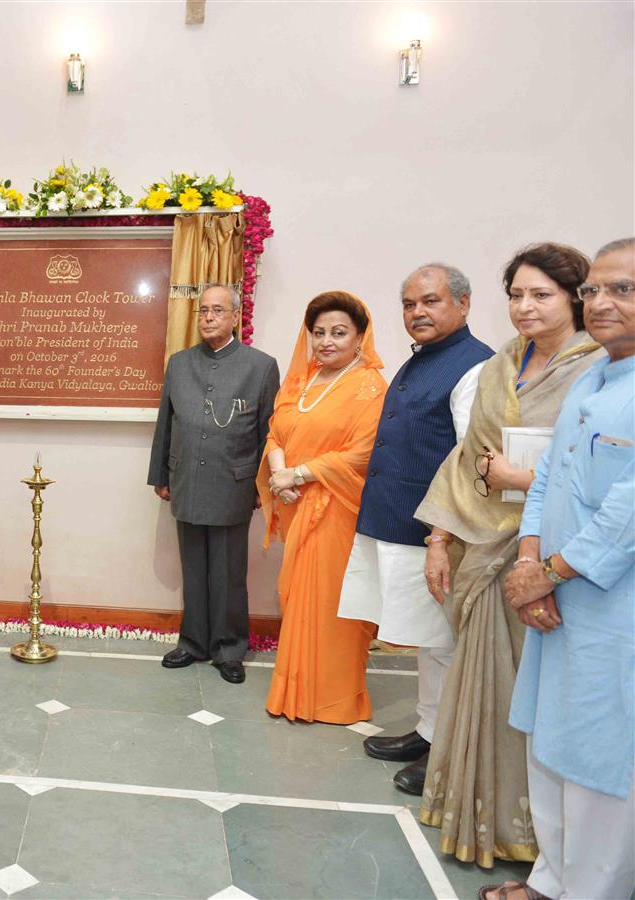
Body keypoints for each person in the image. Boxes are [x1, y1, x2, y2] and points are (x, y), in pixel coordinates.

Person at [416, 244, 602, 869]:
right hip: (483, 543)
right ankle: (480, 814)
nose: (525, 307)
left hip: (554, 558)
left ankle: (543, 838)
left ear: (576, 298)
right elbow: (470, 453)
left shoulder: (598, 369)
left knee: (537, 694)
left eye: (541, 295)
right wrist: (439, 537)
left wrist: (523, 481)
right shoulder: (502, 364)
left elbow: (597, 472)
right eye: (517, 295)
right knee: (485, 688)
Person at [480, 238, 635, 900]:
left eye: (621, 289)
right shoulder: (593, 376)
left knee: (602, 762)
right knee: (550, 742)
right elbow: (545, 481)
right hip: (551, 594)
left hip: (610, 611)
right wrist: (526, 561)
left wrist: (553, 571)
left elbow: (627, 514)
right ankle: (550, 881)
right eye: (594, 289)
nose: (601, 302)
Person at [347, 264, 494, 792]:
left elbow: (468, 460)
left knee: (448, 644)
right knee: (430, 642)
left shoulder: (474, 366)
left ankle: (451, 749)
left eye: (430, 302)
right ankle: (429, 731)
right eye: (410, 304)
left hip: (435, 534)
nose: (417, 313)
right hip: (398, 522)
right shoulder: (422, 361)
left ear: (464, 303)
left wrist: (442, 537)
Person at [258, 291, 386, 724]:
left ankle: (332, 700)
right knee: (298, 601)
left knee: (331, 604)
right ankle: (294, 693)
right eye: (319, 333)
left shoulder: (369, 386)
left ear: (359, 337)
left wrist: (298, 475)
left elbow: (361, 454)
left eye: (338, 332)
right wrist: (280, 476)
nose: (326, 341)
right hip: (297, 504)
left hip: (337, 510)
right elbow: (276, 433)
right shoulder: (302, 380)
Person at [148, 283, 280, 684]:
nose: (208, 317)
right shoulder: (180, 363)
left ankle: (228, 648)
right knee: (193, 566)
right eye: (203, 311)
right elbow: (165, 424)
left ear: (235, 316)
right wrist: (161, 475)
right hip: (186, 477)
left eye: (217, 311)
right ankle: (193, 643)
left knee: (227, 571)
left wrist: (261, 484)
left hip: (233, 482)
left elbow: (268, 431)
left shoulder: (260, 366)